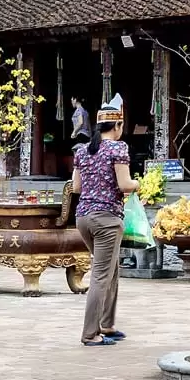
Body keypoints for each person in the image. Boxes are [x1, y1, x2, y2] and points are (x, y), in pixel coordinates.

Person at [73, 94, 135, 346]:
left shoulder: (82, 150)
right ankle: (90, 333)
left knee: (111, 269)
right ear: (117, 126)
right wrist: (138, 184)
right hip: (107, 218)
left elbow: (76, 187)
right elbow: (125, 184)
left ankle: (107, 324)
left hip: (84, 218)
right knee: (101, 274)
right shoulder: (118, 149)